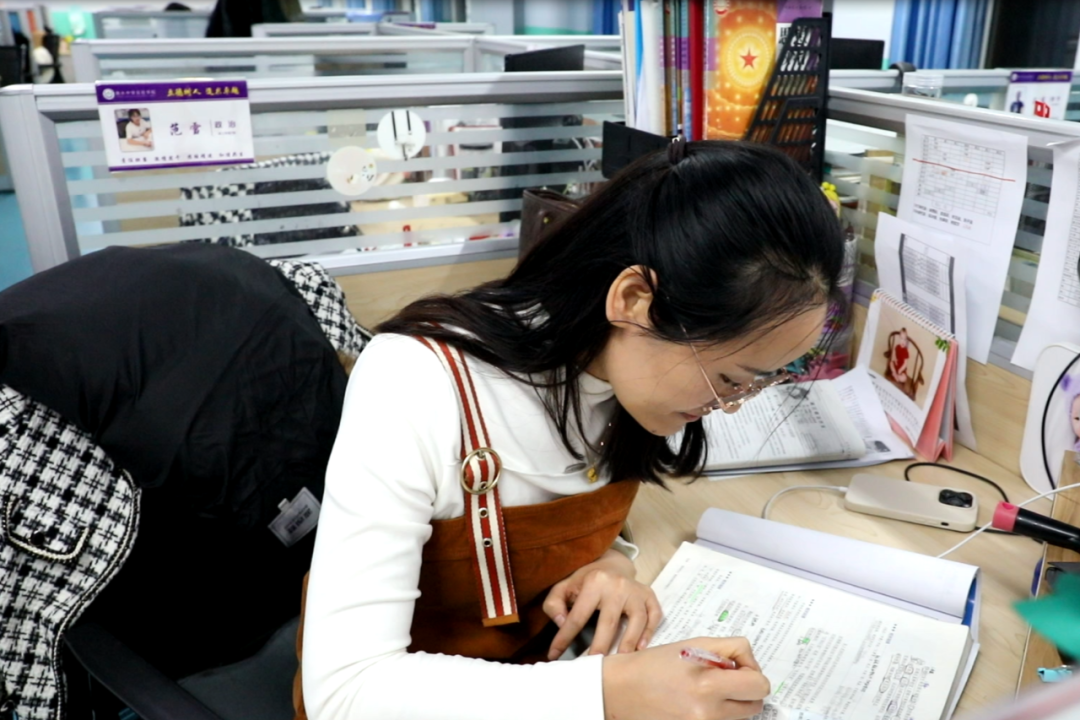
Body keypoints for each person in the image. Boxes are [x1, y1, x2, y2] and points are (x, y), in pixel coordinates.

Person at [297, 139, 846, 720]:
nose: (729, 407)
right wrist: (609, 692)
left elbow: (573, 496)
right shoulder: (415, 381)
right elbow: (345, 691)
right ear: (634, 300)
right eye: (729, 379)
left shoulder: (622, 379)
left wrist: (611, 562)